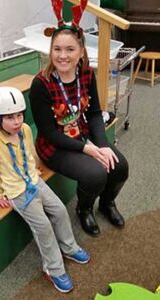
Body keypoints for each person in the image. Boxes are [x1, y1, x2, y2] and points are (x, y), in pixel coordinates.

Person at [29, 1, 129, 237]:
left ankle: (106, 204)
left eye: (70, 49)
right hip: (54, 146)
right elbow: (49, 134)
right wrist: (89, 149)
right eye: (57, 49)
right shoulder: (41, 84)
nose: (63, 56)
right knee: (95, 173)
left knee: (119, 166)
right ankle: (83, 209)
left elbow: (94, 113)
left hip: (81, 135)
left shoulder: (86, 73)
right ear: (51, 50)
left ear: (81, 51)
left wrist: (102, 144)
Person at [0, 86, 90, 293]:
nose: (16, 121)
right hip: (16, 190)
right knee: (43, 227)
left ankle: (69, 248)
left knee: (59, 210)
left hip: (33, 179)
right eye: (9, 117)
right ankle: (53, 269)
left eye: (19, 115)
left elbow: (30, 153)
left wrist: (35, 170)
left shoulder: (24, 130)